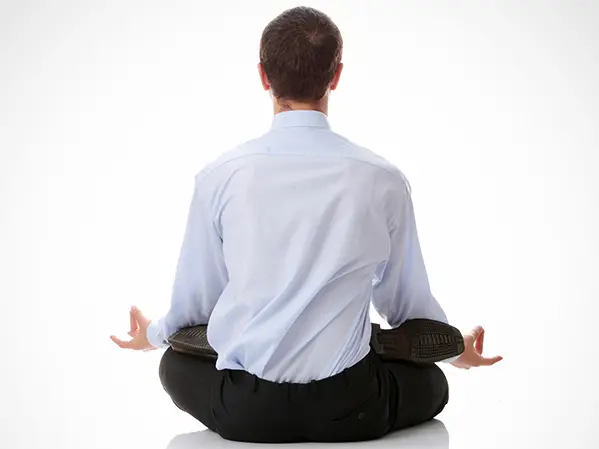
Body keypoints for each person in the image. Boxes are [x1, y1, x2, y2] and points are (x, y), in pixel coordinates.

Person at [111, 6, 502, 443]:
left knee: (174, 364)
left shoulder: (220, 177)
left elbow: (195, 306)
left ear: (263, 76)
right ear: (335, 75)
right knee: (433, 384)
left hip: (247, 414)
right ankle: (367, 346)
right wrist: (457, 349)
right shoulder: (383, 179)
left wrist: (150, 334)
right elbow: (408, 304)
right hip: (352, 409)